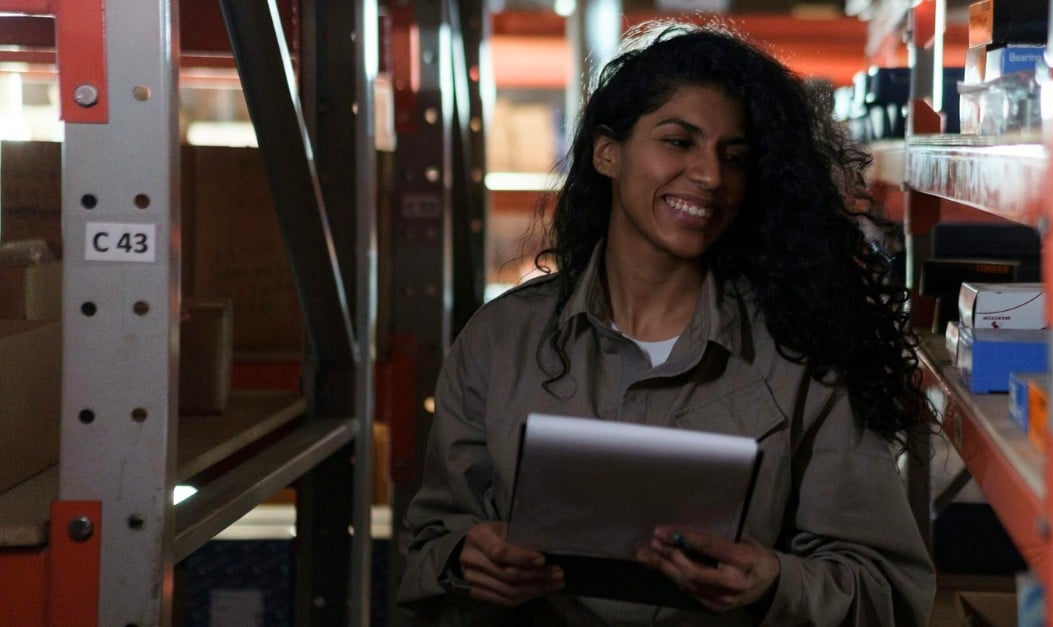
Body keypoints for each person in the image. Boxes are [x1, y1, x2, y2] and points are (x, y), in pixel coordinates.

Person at [396, 20, 935, 626]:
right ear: (607, 152)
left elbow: (887, 590)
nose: (710, 175)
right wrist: (466, 559)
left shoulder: (802, 353)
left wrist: (774, 581)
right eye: (679, 142)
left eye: (733, 157)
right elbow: (427, 546)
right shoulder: (499, 342)